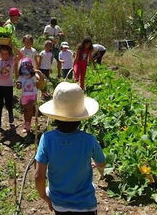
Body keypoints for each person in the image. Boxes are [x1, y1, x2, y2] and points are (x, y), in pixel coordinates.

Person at [35, 82, 106, 214]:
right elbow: (101, 162)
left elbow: (39, 176)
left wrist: (44, 196)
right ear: (81, 117)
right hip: (86, 204)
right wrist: (100, 169)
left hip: (59, 204)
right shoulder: (89, 140)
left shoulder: (47, 139)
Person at [0, 41, 22, 131]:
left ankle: (10, 115)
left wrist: (13, 46)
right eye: (2, 53)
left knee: (9, 104)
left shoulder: (12, 60)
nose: (4, 55)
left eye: (6, 54)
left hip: (8, 86)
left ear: (9, 54)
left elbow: (21, 56)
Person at [16, 58, 43, 134]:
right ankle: (27, 123)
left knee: (30, 109)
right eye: (24, 65)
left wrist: (39, 73)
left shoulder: (34, 75)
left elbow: (40, 82)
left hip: (32, 95)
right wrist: (18, 84)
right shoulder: (21, 77)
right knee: (26, 110)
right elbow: (19, 87)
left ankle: (28, 125)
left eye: (28, 65)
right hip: (24, 96)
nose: (26, 67)